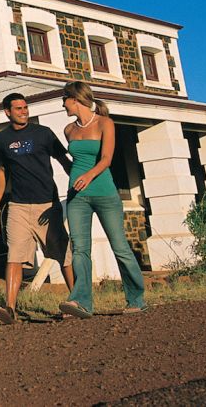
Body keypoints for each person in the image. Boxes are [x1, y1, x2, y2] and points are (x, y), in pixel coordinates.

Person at [57, 81, 146, 319]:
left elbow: (106, 159)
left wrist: (88, 176)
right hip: (77, 197)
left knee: (120, 247)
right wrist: (76, 177)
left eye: (64, 99)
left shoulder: (105, 123)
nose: (62, 104)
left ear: (75, 99)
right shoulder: (69, 130)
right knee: (80, 250)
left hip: (105, 193)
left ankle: (136, 298)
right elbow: (74, 162)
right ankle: (81, 301)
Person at [0, 93, 75, 325]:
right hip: (17, 206)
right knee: (14, 255)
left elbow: (64, 160)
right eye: (18, 108)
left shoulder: (43, 133)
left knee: (62, 254)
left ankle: (76, 300)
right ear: (8, 112)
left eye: (25, 107)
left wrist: (78, 182)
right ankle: (10, 309)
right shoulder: (1, 139)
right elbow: (2, 171)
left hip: (47, 204)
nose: (24, 111)